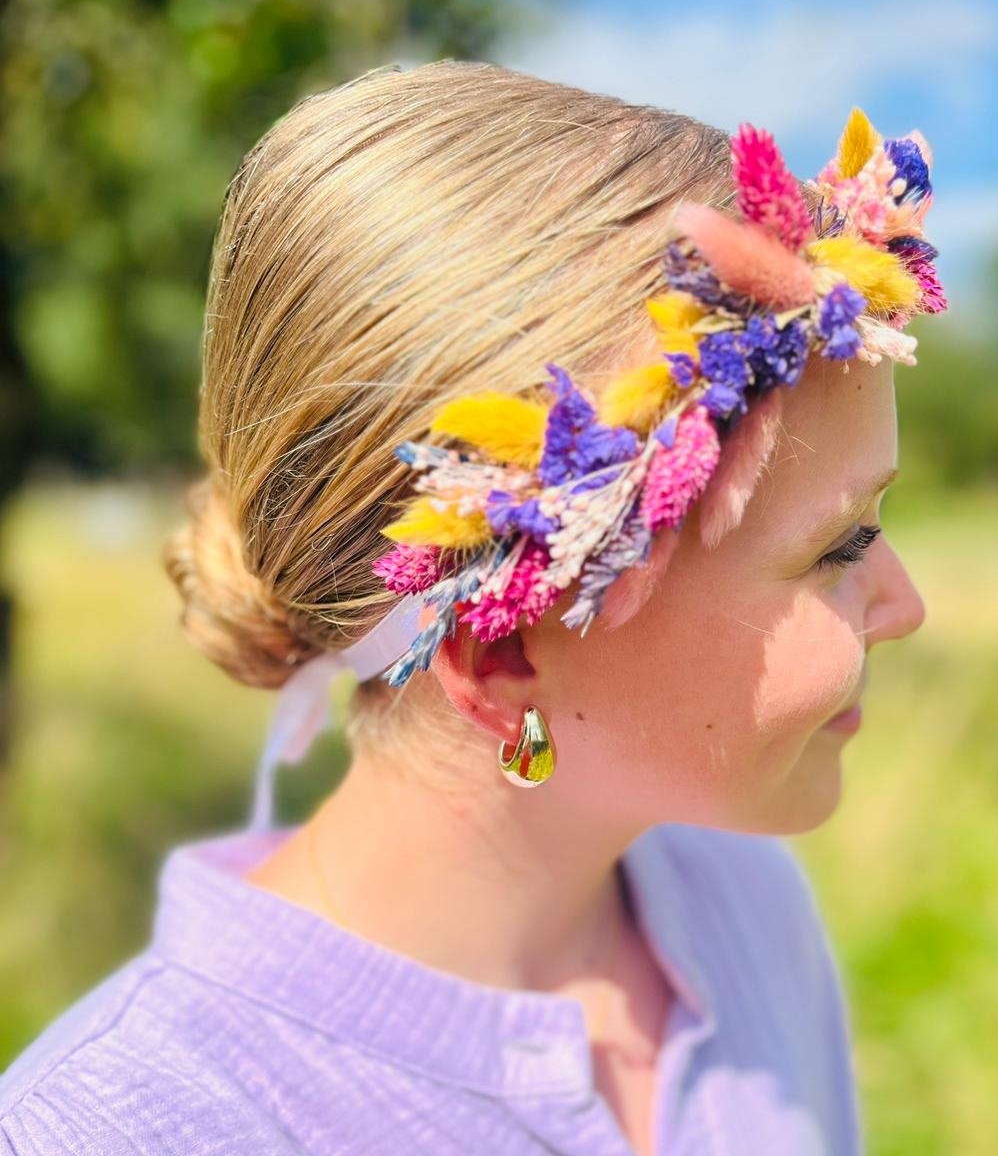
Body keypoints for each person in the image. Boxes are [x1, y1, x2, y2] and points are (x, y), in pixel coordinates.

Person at [0, 58, 939, 1155]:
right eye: (842, 545)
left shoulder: (747, 912)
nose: (906, 604)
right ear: (504, 661)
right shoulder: (123, 1128)